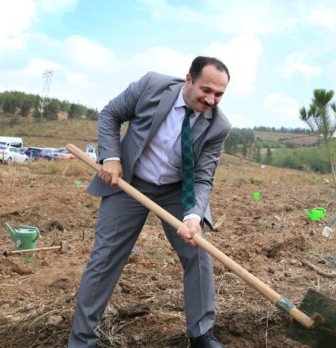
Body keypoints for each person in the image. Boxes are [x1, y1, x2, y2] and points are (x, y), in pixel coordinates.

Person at [68, 56, 232, 348]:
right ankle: (81, 340)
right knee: (105, 258)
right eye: (206, 90)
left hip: (176, 191)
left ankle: (201, 334)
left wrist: (193, 216)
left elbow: (204, 177)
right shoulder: (152, 86)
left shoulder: (218, 125)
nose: (211, 99)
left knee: (198, 253)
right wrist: (112, 158)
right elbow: (109, 114)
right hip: (129, 182)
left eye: (219, 94)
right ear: (189, 79)